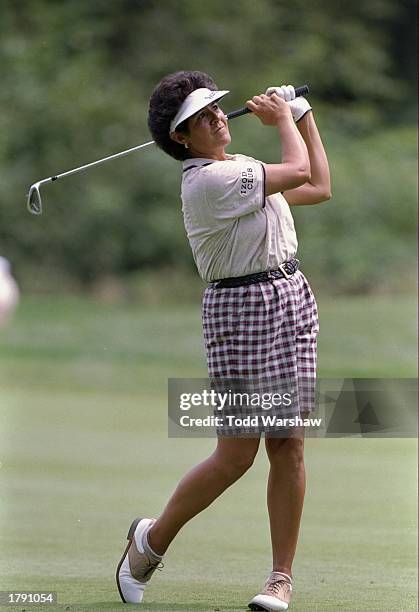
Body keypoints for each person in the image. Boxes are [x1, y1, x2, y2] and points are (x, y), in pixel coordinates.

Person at [116, 71, 331, 611]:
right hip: (239, 312)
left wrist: (303, 117)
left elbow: (318, 186)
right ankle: (150, 542)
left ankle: (280, 579)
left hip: (291, 300)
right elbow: (299, 168)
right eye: (201, 116)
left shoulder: (239, 167)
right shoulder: (206, 183)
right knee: (237, 455)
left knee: (289, 444)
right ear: (181, 138)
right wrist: (284, 119)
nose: (217, 117)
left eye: (216, 108)